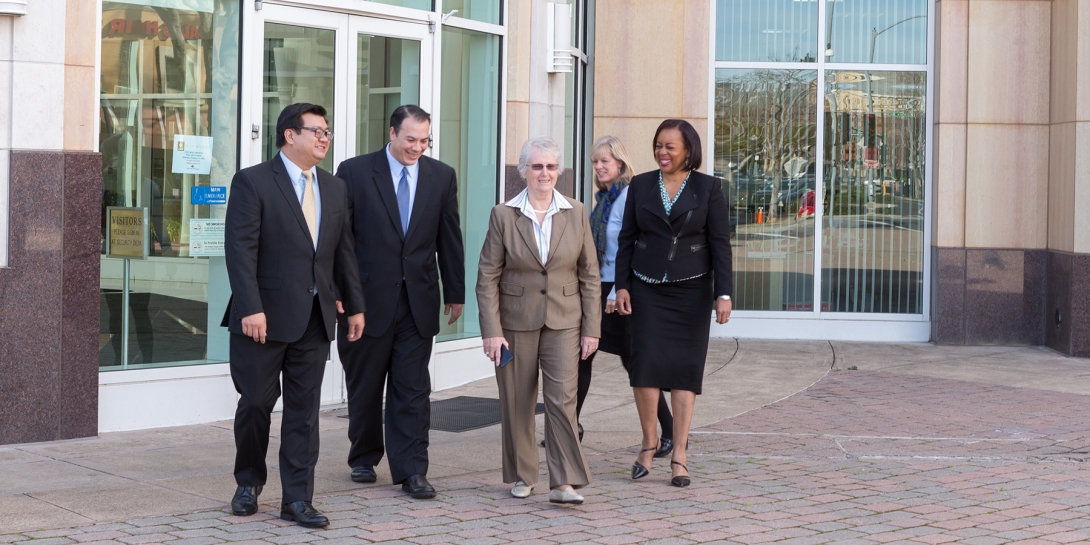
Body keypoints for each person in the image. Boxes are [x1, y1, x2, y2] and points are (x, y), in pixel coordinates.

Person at [222, 103, 366, 527]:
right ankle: (248, 483)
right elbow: (240, 249)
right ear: (289, 135)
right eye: (317, 131)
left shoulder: (335, 187)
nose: (324, 138)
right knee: (255, 405)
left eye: (327, 132)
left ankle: (298, 499)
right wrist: (250, 306)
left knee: (304, 413)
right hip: (261, 319)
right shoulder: (253, 181)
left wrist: (353, 305)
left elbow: (343, 253)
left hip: (315, 318)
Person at [334, 105, 465, 500]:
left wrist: (455, 291)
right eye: (410, 139)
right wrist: (342, 292)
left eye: (424, 140)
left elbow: (449, 236)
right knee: (366, 384)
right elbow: (341, 241)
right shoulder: (354, 172)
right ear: (392, 133)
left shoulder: (441, 176)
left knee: (413, 389)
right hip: (366, 302)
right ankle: (364, 454)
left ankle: (411, 471)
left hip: (418, 301)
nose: (417, 148)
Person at [476, 137, 601, 505]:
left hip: (565, 322)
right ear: (523, 171)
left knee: (562, 400)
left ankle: (564, 482)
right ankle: (523, 474)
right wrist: (491, 331)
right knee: (517, 401)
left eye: (550, 167)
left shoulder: (576, 212)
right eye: (536, 166)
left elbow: (590, 275)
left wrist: (592, 328)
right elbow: (487, 277)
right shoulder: (503, 214)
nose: (544, 173)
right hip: (515, 324)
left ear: (558, 171)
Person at [614, 119, 733, 487]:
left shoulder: (709, 188)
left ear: (688, 151)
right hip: (646, 288)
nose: (662, 153)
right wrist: (621, 286)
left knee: (685, 370)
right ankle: (650, 442)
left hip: (692, 291)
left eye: (670, 147)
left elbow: (720, 244)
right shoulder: (641, 184)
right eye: (658, 146)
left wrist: (723, 293)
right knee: (644, 365)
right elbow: (626, 239)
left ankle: (679, 454)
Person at [569, 136, 674, 457]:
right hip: (597, 288)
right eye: (595, 162)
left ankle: (669, 432)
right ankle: (571, 426)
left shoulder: (631, 195)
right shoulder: (603, 200)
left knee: (635, 362)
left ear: (620, 163)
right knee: (581, 355)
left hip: (621, 289)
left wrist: (618, 289)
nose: (599, 167)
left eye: (605, 161)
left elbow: (634, 247)